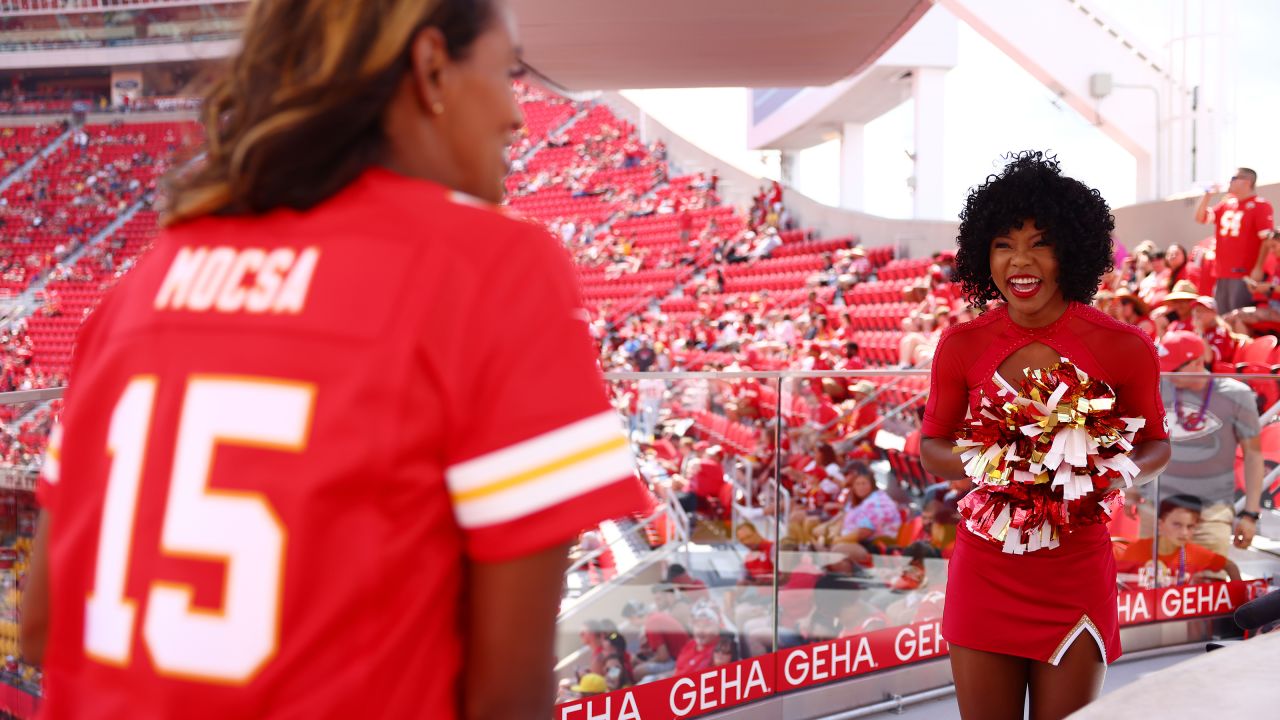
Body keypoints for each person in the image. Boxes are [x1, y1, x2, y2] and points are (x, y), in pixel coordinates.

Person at [19, 2, 649, 718]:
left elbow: (43, 626)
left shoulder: (140, 285)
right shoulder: (495, 267)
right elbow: (505, 696)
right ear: (430, 65)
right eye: (509, 73)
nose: (518, 116)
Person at [920, 152, 1171, 720]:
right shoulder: (960, 345)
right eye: (1004, 244)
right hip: (985, 568)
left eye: (1041, 243)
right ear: (985, 255)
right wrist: (997, 458)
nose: (1021, 260)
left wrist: (1104, 469)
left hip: (1074, 568)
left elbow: (1157, 443)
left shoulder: (1122, 345)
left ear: (1071, 253)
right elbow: (930, 446)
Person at [1144, 331, 1263, 556]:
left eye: (1175, 368)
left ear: (1198, 361)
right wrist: (1133, 491)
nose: (1167, 374)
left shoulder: (1237, 394)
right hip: (1158, 509)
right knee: (1147, 583)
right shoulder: (1158, 387)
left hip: (1212, 512)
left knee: (1208, 585)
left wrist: (1250, 513)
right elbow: (1140, 438)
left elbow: (1253, 455)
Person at [1194, 167, 1276, 314]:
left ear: (1247, 181)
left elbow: (1266, 240)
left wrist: (1258, 268)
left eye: (1233, 178)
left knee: (1236, 317)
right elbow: (1200, 218)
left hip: (1243, 272)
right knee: (1223, 318)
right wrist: (1207, 195)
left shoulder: (1260, 205)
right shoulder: (1227, 204)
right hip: (1222, 272)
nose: (1229, 182)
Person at [1117, 494, 1240, 587]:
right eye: (1177, 524)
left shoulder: (1195, 553)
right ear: (1160, 524)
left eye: (1190, 526)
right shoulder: (1136, 549)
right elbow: (1115, 580)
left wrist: (1238, 594)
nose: (1184, 532)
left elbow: (1230, 566)